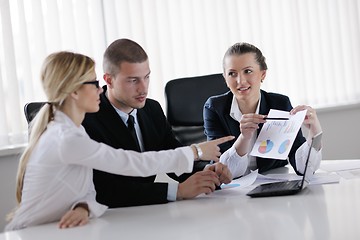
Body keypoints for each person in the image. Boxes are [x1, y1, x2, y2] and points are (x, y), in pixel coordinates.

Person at [5, 51, 233, 231]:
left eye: (146, 77)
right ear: (74, 91)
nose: (99, 90)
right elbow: (129, 163)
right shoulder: (66, 138)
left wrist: (83, 206)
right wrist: (195, 151)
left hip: (65, 229)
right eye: (93, 84)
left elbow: (86, 189)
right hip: (35, 233)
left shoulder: (71, 131)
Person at [82, 38, 233, 208]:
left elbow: (172, 155)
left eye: (146, 77)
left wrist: (207, 174)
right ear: (109, 80)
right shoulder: (88, 119)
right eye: (133, 80)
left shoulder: (151, 109)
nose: (143, 88)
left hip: (153, 213)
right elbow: (106, 190)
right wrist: (177, 191)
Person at [203, 42, 323, 179]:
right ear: (225, 78)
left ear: (263, 74)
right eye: (232, 73)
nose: (240, 81)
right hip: (233, 190)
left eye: (247, 71)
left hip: (272, 182)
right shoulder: (214, 108)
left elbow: (303, 168)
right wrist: (244, 138)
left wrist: (315, 132)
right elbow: (222, 171)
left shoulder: (280, 104)